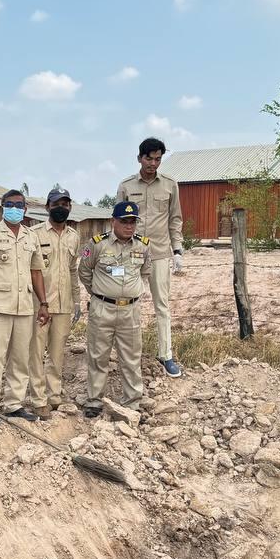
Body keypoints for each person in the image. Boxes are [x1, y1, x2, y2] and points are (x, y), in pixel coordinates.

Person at [0, 189, 50, 427]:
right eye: (10, 204)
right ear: (2, 207)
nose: (14, 209)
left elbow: (36, 272)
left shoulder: (31, 236)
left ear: (25, 209)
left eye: (19, 205)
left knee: (20, 359)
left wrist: (43, 303)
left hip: (24, 306)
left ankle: (14, 404)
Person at [116, 137, 184, 378]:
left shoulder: (170, 185)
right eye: (149, 158)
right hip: (131, 254)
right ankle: (128, 354)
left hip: (159, 253)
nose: (153, 164)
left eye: (157, 159)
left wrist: (177, 250)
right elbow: (118, 220)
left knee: (162, 306)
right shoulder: (126, 186)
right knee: (127, 303)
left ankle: (166, 355)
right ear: (139, 158)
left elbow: (175, 219)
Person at [9, 186, 79, 419]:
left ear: (70, 207)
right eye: (57, 204)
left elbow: (73, 270)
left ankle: (54, 396)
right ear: (48, 207)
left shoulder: (74, 236)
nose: (61, 208)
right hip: (39, 304)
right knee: (36, 352)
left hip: (64, 304)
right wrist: (38, 302)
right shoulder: (34, 234)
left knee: (57, 354)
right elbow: (28, 270)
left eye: (65, 204)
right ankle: (39, 399)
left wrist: (77, 302)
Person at [78, 201, 151, 419]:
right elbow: (84, 271)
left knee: (131, 357)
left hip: (130, 310)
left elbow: (145, 272)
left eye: (133, 222)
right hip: (103, 308)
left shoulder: (143, 246)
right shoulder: (98, 244)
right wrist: (99, 293)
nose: (129, 226)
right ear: (113, 221)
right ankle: (94, 400)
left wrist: (130, 292)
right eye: (124, 221)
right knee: (98, 356)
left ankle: (132, 401)